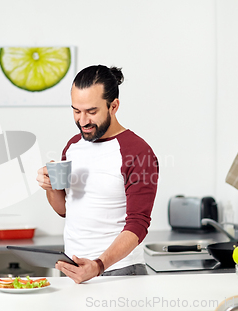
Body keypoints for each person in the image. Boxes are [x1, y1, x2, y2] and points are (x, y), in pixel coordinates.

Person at [36, 65, 159, 283]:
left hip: (120, 272)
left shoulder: (138, 153)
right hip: (74, 270)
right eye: (76, 110)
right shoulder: (73, 146)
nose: (83, 121)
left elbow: (138, 224)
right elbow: (65, 210)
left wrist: (98, 265)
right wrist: (51, 186)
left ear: (114, 106)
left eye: (91, 112)